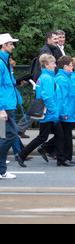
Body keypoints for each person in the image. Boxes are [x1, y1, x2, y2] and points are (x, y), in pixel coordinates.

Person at [16, 54, 72, 167]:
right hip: (49, 113)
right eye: (53, 63)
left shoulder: (44, 77)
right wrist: (54, 111)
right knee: (42, 137)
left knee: (60, 135)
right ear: (46, 65)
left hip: (49, 113)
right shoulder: (47, 78)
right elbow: (47, 97)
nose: (55, 65)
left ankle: (61, 159)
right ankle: (22, 155)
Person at [18, 30, 62, 138]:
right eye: (55, 39)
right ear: (48, 39)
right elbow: (42, 68)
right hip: (44, 83)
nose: (58, 40)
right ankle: (20, 129)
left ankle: (57, 130)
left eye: (58, 38)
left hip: (45, 82)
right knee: (38, 108)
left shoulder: (53, 49)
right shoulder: (45, 51)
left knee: (39, 107)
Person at [0, 33, 22, 179]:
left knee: (4, 136)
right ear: (3, 45)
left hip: (8, 104)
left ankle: (2, 170)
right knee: (11, 134)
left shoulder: (5, 61)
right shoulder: (1, 62)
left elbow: (6, 84)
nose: (13, 46)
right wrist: (1, 108)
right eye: (11, 44)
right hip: (5, 106)